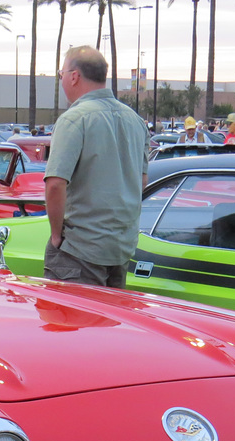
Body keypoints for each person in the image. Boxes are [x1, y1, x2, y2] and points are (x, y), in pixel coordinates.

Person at [43, 45, 149, 288]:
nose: (62, 81)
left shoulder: (74, 118)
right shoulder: (135, 120)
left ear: (74, 76)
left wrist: (57, 235)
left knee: (71, 323)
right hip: (120, 249)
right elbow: (141, 181)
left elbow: (56, 184)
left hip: (79, 249)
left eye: (61, 75)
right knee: (108, 324)